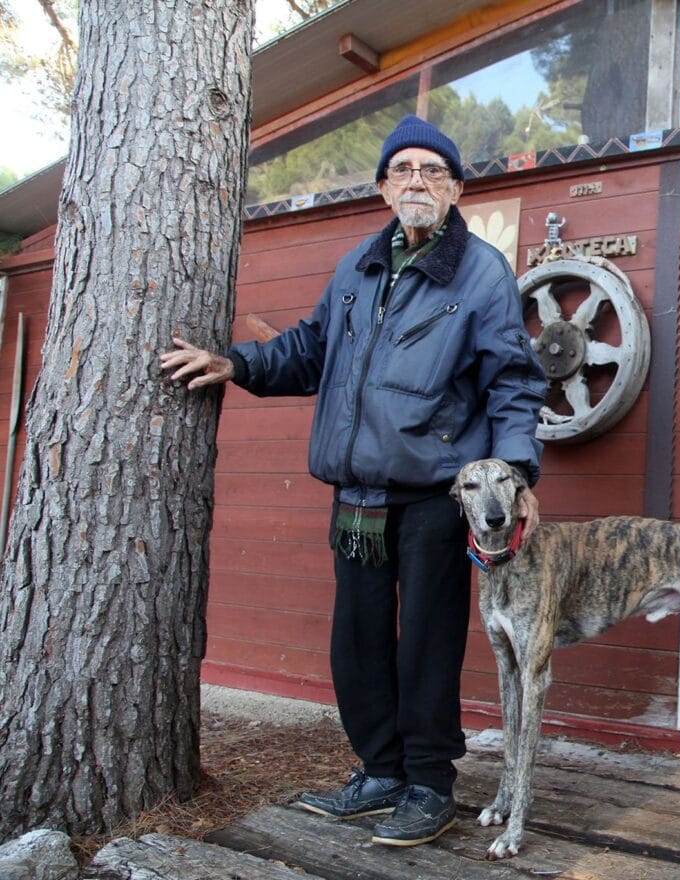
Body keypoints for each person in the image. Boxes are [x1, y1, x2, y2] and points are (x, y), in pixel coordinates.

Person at [161, 115, 547, 847]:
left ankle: (429, 784)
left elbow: (514, 382)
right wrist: (236, 365)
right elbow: (310, 351)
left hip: (438, 493)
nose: (416, 181)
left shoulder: (483, 271)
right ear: (381, 187)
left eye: (433, 171)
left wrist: (514, 477)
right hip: (357, 496)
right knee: (358, 641)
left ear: (457, 188)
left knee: (426, 644)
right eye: (402, 169)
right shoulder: (357, 269)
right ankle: (379, 772)